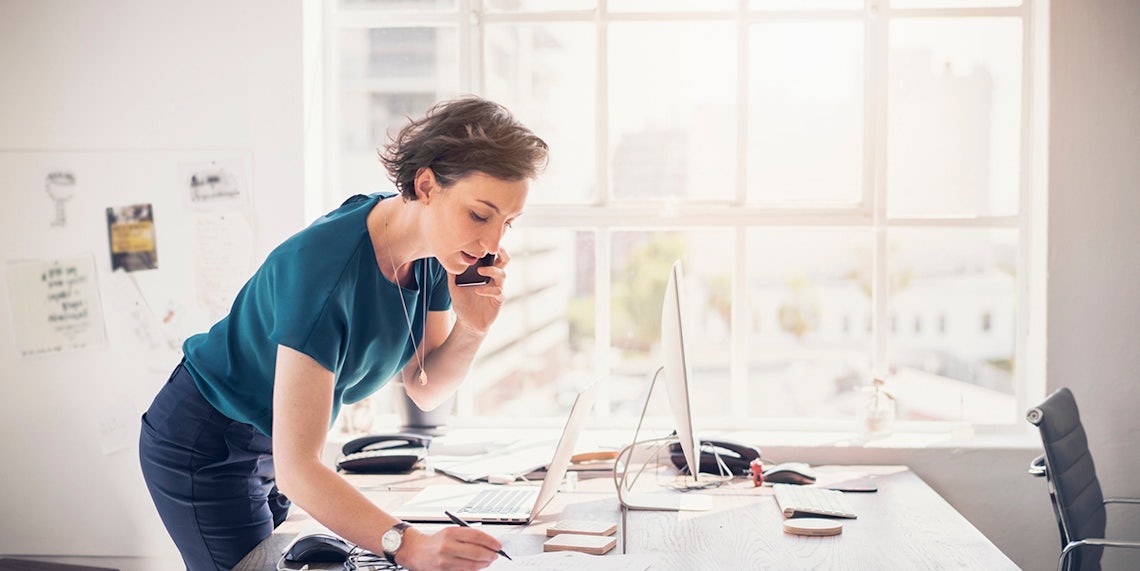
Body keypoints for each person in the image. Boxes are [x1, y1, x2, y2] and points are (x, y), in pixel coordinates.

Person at [139, 96, 549, 571]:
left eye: (507, 223)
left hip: (273, 444)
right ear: (426, 185)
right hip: (206, 441)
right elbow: (299, 469)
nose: (492, 244)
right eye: (480, 215)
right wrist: (410, 545)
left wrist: (473, 329)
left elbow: (425, 388)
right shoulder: (324, 272)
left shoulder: (437, 255)